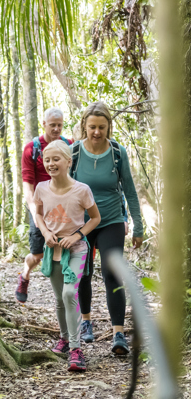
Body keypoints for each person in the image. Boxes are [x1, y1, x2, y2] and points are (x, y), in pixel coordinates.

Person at [73, 102, 143, 354]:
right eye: (92, 127)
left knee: (112, 273)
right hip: (81, 223)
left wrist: (138, 225)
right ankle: (87, 322)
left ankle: (118, 334)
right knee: (83, 273)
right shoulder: (74, 153)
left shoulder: (117, 152)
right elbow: (62, 189)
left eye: (102, 127)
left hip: (112, 220)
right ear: (84, 126)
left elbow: (130, 192)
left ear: (108, 127)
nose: (96, 132)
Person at [34, 140, 101, 371]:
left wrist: (77, 235)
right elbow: (38, 215)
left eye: (56, 159)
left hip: (77, 249)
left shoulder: (82, 190)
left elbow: (95, 218)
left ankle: (75, 348)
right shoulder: (41, 188)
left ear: (68, 161)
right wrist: (45, 232)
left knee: (70, 292)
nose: (51, 164)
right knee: (59, 299)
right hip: (53, 250)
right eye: (47, 159)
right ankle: (63, 339)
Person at [15, 107, 72, 303]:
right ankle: (25, 274)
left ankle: (67, 294)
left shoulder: (69, 145)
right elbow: (28, 186)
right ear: (44, 124)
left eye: (60, 125)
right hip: (39, 205)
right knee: (38, 253)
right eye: (52, 125)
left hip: (64, 205)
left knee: (67, 247)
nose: (56, 129)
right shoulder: (32, 149)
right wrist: (35, 214)